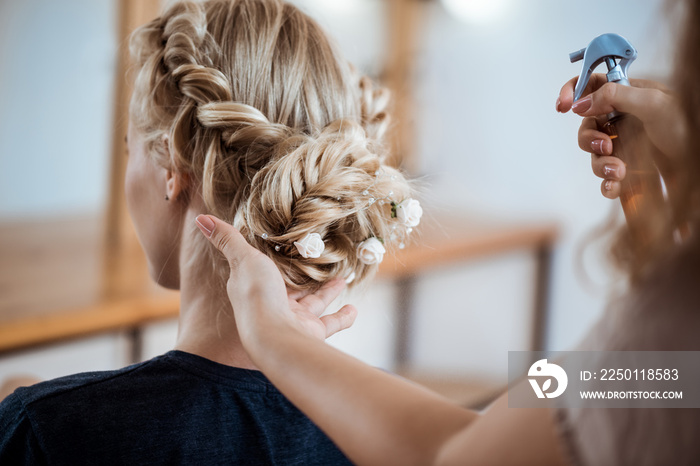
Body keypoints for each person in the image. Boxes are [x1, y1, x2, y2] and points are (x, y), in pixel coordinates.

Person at [192, 1, 700, 464]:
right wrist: (658, 196)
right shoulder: (666, 345)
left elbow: (458, 454)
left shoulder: (671, 332)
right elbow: (650, 389)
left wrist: (274, 335)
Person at [0, 0, 420, 463]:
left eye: (129, 149)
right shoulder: (399, 432)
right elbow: (515, 400)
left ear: (172, 166)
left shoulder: (49, 433)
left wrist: (30, 413)